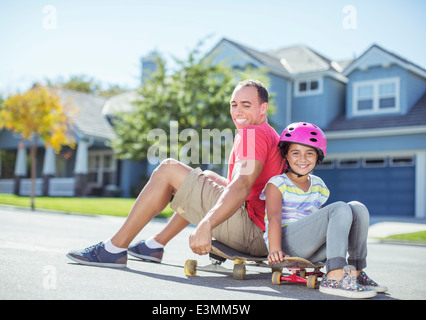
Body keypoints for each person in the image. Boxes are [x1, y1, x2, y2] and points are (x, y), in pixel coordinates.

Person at [66, 79, 285, 267]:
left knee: (167, 169)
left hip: (254, 234)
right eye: (234, 104)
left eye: (246, 105)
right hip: (262, 233)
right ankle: (155, 245)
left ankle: (113, 249)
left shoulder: (252, 135)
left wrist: (206, 223)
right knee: (206, 178)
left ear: (262, 108)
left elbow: (242, 185)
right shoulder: (267, 133)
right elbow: (245, 187)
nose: (237, 111)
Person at [260, 122, 387, 298]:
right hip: (287, 243)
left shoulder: (318, 184)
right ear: (286, 156)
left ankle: (355, 273)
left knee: (358, 208)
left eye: (309, 153)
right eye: (295, 153)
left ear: (318, 156)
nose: (302, 159)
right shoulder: (277, 183)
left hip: (312, 247)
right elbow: (273, 218)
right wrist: (274, 249)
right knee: (340, 207)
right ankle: (334, 276)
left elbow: (319, 219)